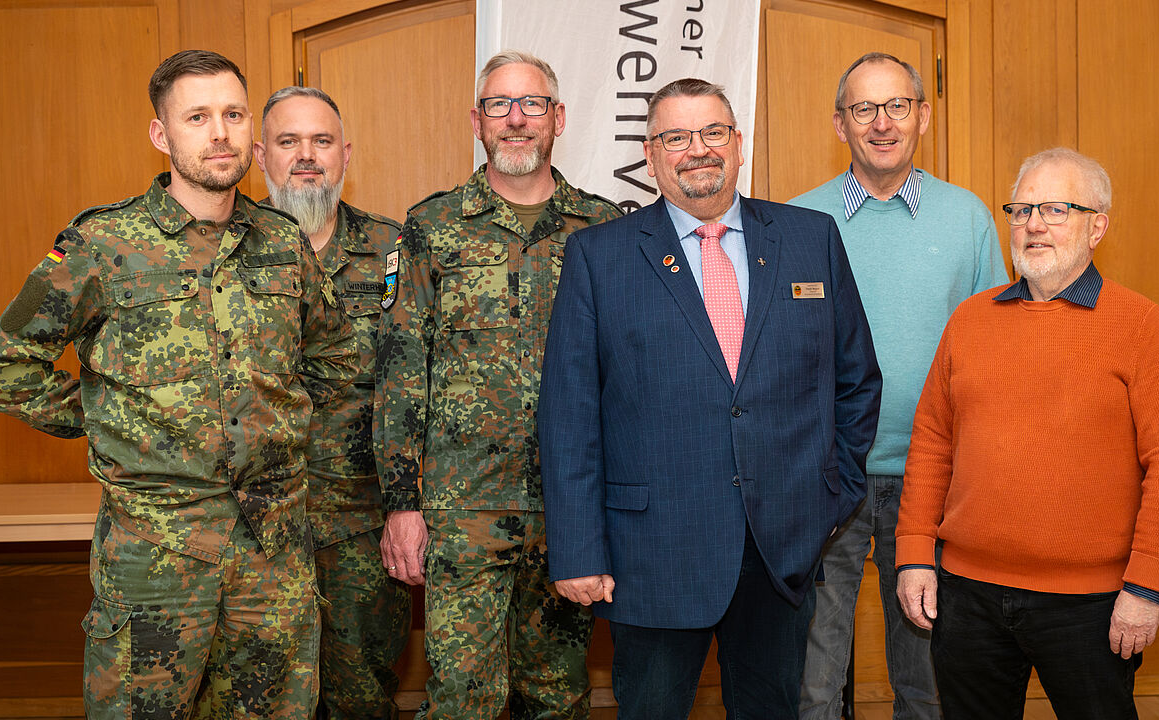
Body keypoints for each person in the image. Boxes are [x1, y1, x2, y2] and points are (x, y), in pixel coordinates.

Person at [0, 50, 357, 718]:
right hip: (156, 556)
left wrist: (276, 423)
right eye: (198, 116)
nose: (220, 133)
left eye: (234, 114)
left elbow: (333, 359)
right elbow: (1, 370)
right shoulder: (104, 243)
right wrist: (112, 420)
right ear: (162, 135)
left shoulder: (280, 240)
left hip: (273, 553)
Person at [539, 77, 883, 720]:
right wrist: (579, 549)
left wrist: (827, 498)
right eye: (676, 136)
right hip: (651, 556)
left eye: (712, 132)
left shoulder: (811, 238)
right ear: (650, 154)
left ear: (739, 143)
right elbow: (569, 415)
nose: (697, 149)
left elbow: (856, 381)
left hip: (780, 551)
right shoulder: (598, 255)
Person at [895, 147, 1159, 719]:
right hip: (966, 595)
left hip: (1091, 605)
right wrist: (914, 554)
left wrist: (1146, 587)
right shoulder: (969, 319)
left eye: (1056, 209)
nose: (1033, 224)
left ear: (1097, 227)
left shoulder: (1141, 325)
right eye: (1021, 209)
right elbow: (933, 442)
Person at [375, 50, 622, 720]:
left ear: (558, 118)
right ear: (478, 121)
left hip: (571, 513)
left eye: (532, 104)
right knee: (462, 700)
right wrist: (403, 503)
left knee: (559, 695)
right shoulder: (431, 227)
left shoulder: (605, 229)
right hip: (463, 513)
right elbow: (402, 373)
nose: (516, 120)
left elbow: (630, 378)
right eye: (499, 105)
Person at [790, 52, 1007, 720]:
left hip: (935, 481)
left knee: (928, 677)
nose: (882, 123)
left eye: (897, 106)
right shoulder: (798, 222)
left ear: (924, 115)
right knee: (815, 678)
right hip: (830, 479)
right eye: (864, 108)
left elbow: (996, 351)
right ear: (839, 123)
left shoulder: (967, 217)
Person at [255, 85, 411, 720]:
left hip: (361, 526)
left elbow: (416, 384)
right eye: (289, 142)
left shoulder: (395, 250)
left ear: (346, 153)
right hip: (251, 529)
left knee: (361, 696)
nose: (306, 156)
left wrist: (409, 504)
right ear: (261, 156)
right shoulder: (225, 250)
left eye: (321, 141)